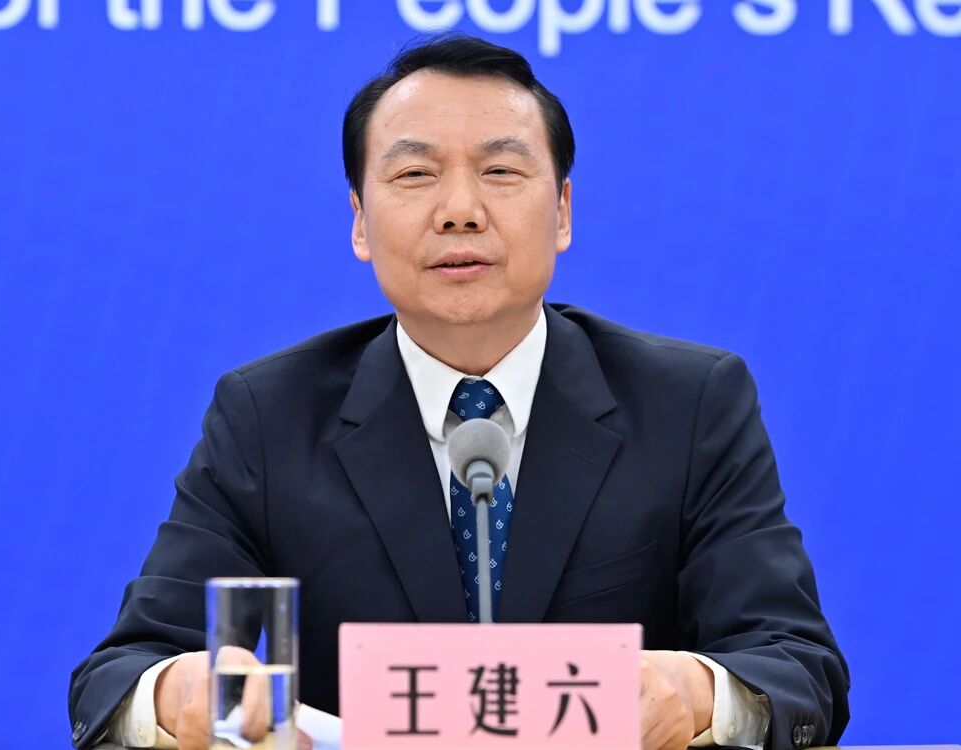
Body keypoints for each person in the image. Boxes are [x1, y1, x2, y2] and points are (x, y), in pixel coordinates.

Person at [69, 34, 849, 750]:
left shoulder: (688, 404)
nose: (460, 212)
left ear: (562, 211)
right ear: (360, 222)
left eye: (501, 172)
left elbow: (796, 666)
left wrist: (699, 692)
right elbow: (119, 675)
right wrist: (183, 694)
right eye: (415, 175)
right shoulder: (269, 416)